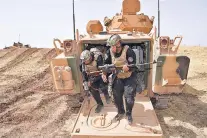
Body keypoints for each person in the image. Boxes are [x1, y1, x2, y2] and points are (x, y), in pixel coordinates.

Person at [101, 34, 137, 125]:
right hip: (118, 77)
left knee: (129, 98)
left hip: (129, 77)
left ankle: (128, 114)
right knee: (117, 97)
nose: (111, 48)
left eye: (113, 46)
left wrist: (128, 68)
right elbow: (106, 64)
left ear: (118, 44)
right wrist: (104, 73)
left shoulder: (128, 51)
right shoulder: (109, 52)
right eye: (111, 46)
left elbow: (134, 66)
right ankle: (121, 112)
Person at [80, 48, 110, 113]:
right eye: (84, 61)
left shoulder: (98, 57)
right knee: (92, 89)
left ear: (90, 58)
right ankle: (100, 104)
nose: (85, 63)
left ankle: (107, 96)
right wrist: (85, 81)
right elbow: (83, 72)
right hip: (92, 75)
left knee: (103, 86)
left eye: (86, 61)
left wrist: (103, 75)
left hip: (100, 73)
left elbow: (102, 69)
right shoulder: (83, 62)